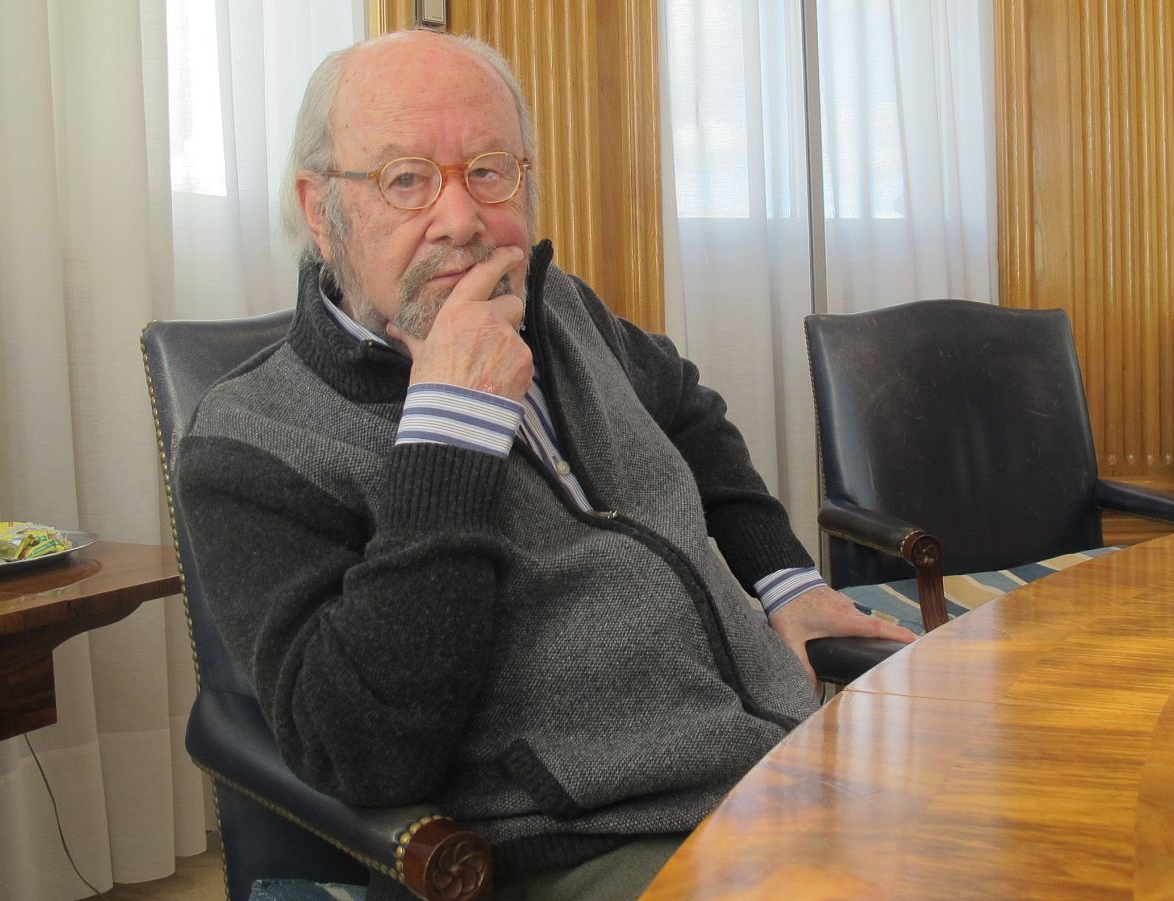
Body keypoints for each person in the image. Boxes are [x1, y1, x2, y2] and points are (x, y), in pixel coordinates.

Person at [175, 28, 913, 900]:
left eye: (489, 170)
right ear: (319, 209)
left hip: (772, 759)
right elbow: (359, 747)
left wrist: (785, 576)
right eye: (405, 179)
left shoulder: (558, 306)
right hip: (572, 843)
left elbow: (687, 414)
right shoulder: (251, 441)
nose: (461, 219)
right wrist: (450, 430)